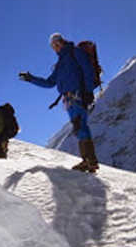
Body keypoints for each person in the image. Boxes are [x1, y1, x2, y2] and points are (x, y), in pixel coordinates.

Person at [19, 32, 99, 172]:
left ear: (62, 41)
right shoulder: (59, 64)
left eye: (57, 43)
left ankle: (90, 161)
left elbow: (87, 70)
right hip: (68, 99)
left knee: (81, 124)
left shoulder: (75, 53)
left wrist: (88, 91)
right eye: (53, 46)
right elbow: (49, 83)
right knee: (78, 126)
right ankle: (87, 161)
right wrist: (31, 79)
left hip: (79, 95)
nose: (56, 47)